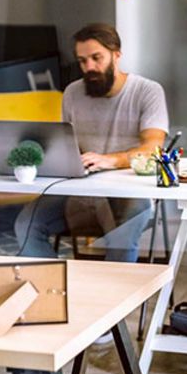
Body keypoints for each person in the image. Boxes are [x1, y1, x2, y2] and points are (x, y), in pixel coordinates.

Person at [14, 23, 168, 262]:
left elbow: (152, 149)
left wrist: (109, 160)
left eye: (97, 58)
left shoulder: (147, 91)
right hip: (81, 188)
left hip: (131, 190)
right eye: (82, 61)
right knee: (26, 224)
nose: (89, 67)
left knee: (122, 234)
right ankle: (57, 289)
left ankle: (114, 297)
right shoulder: (73, 93)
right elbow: (68, 146)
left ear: (116, 55)